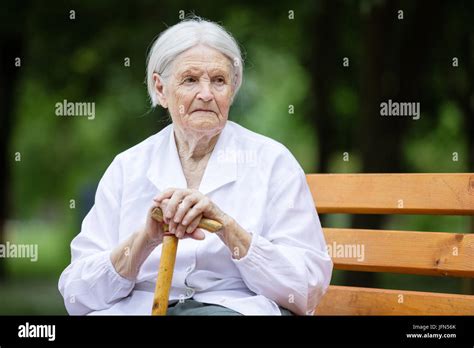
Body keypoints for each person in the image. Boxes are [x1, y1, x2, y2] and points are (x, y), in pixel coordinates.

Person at [58, 16, 333, 315]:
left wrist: (227, 229)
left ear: (233, 89)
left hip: (232, 308)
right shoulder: (128, 167)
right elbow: (77, 295)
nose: (206, 94)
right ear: (161, 89)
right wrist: (145, 240)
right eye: (190, 80)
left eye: (218, 80)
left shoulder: (272, 162)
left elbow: (306, 288)